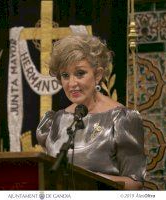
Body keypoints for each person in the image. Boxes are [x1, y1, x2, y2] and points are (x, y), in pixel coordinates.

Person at [36, 34, 146, 190]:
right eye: (65, 75)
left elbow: (135, 183)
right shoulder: (56, 120)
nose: (72, 83)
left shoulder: (122, 118)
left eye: (80, 73)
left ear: (98, 75)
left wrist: (89, 180)